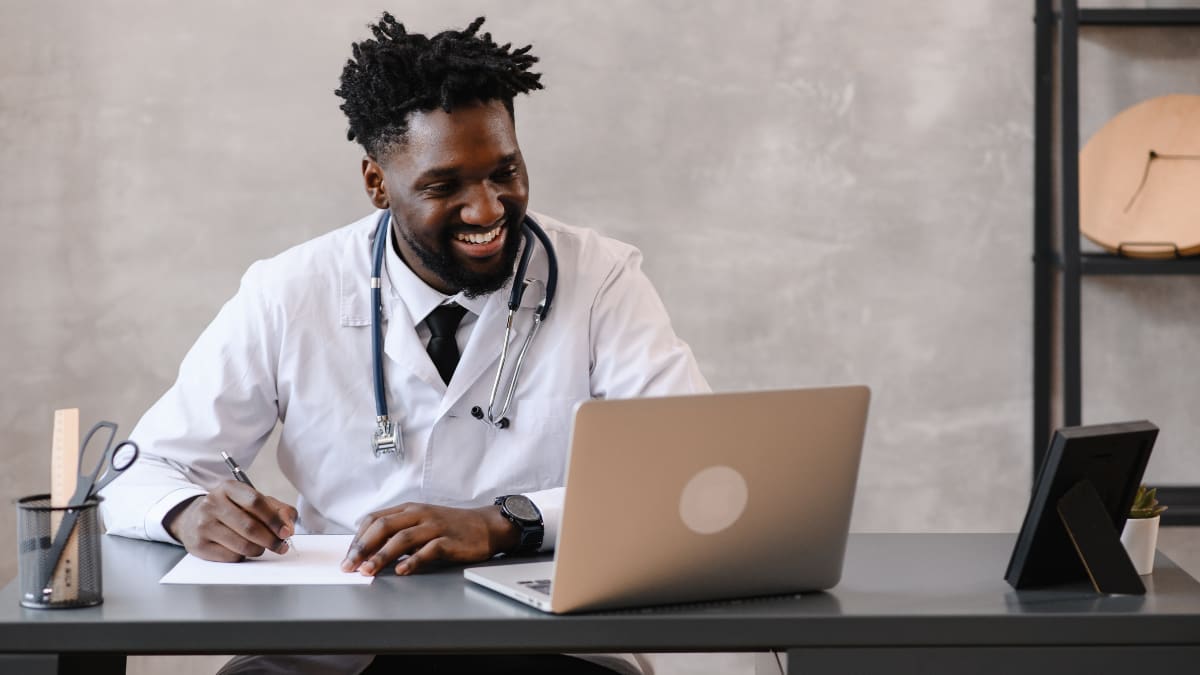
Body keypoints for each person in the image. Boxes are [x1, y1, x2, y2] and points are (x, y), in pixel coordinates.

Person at [100, 13, 708, 675]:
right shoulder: (288, 290)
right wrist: (186, 510)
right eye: (444, 186)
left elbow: (683, 472)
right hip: (334, 646)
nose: (487, 210)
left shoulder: (602, 278)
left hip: (542, 639)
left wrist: (503, 521)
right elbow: (138, 471)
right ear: (376, 183)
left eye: (504, 172)